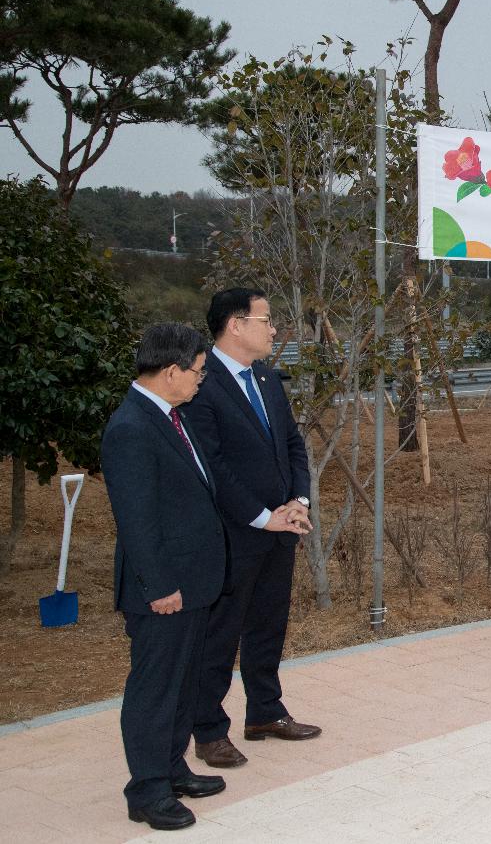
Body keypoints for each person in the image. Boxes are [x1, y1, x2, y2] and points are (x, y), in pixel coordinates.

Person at [184, 288, 317, 769]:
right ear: (235, 325)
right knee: (221, 632)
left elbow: (291, 442)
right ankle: (207, 729)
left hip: (282, 527)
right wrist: (263, 516)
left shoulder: (264, 376)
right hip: (234, 532)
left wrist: (298, 501)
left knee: (268, 625)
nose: (274, 329)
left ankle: (265, 711)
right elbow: (212, 464)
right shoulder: (201, 381)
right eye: (266, 320)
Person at [102, 323, 229, 830]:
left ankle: (172, 767)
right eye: (198, 371)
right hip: (164, 590)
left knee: (182, 682)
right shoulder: (132, 427)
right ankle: (147, 790)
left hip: (193, 582)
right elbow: (136, 519)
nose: (202, 380)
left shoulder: (172, 416)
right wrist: (159, 587)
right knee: (155, 690)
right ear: (171, 371)